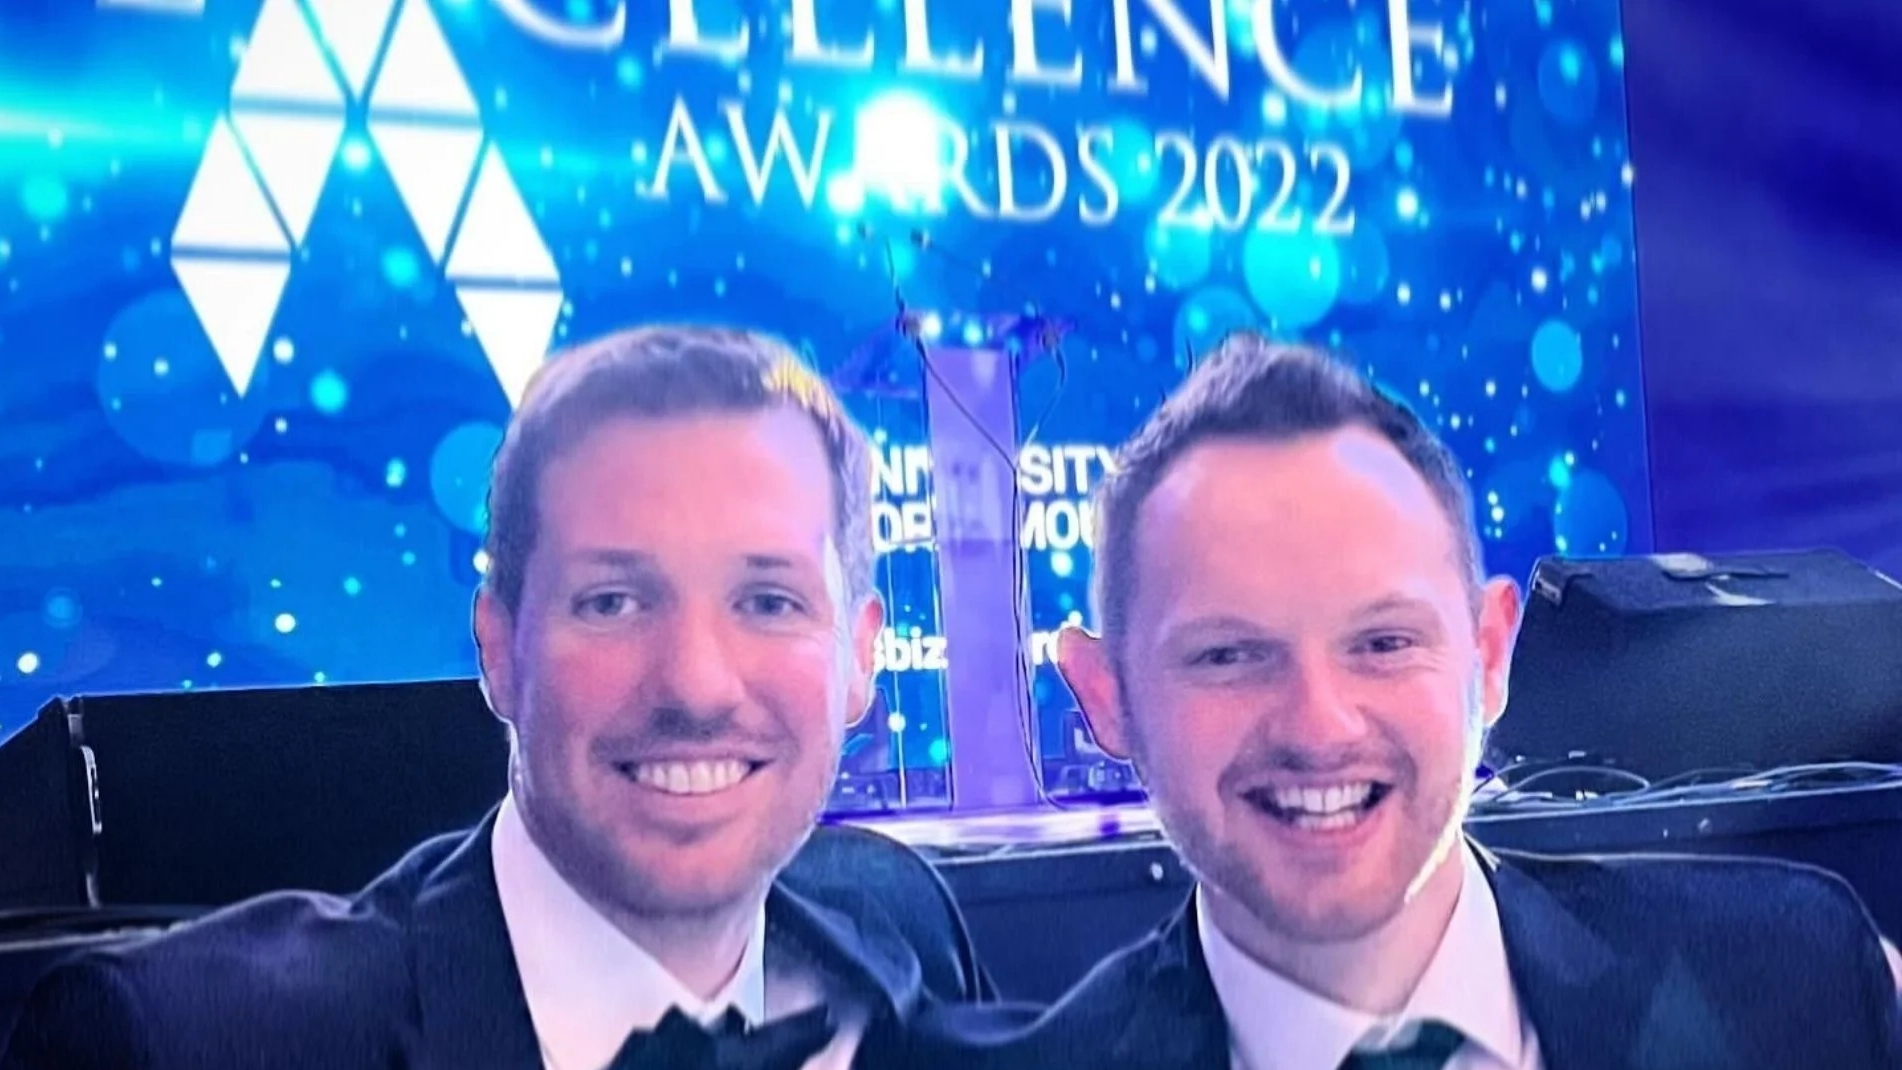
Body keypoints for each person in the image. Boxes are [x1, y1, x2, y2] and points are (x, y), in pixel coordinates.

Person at [1, 326, 992, 1070]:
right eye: (612, 599)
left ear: (860, 657)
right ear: (498, 649)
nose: (695, 681)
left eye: (767, 599)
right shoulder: (179, 1042)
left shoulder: (904, 937)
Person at [899, 334, 1902, 1069]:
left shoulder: (1795, 981)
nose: (1319, 723)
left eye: (1383, 641)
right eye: (1231, 654)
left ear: (1490, 651)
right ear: (1107, 697)